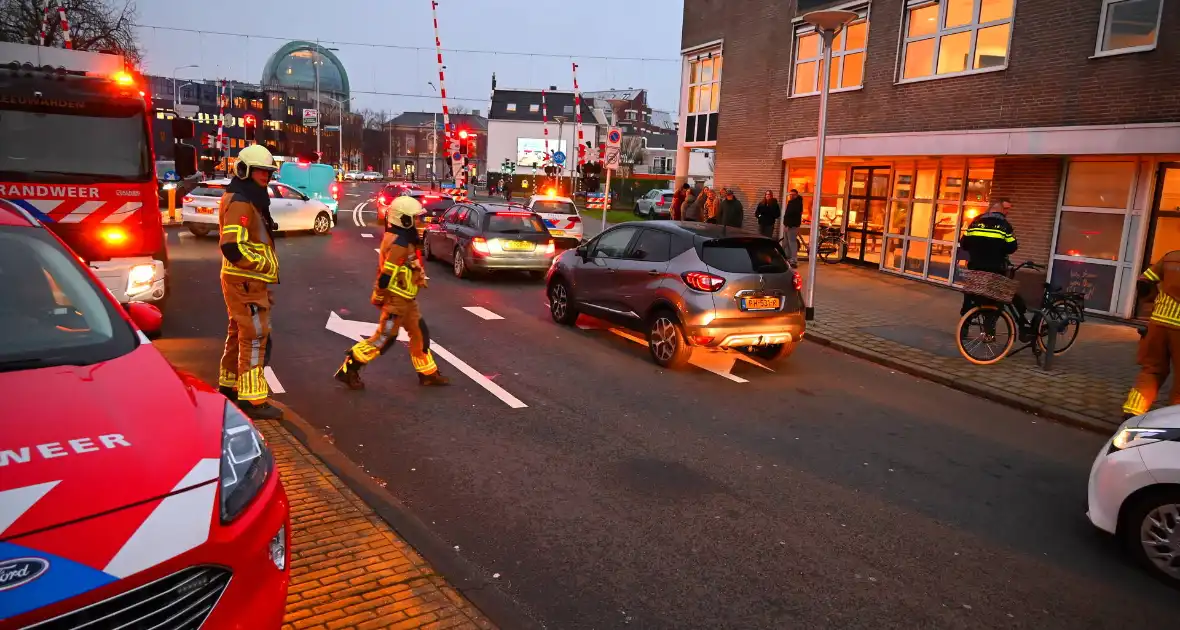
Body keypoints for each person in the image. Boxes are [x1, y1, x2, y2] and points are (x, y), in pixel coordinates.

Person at [335, 195, 450, 390]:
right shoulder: (399, 244)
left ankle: (428, 373)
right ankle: (350, 368)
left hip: (407, 300)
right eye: (415, 218)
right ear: (404, 220)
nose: (419, 222)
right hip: (396, 301)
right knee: (383, 338)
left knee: (420, 334)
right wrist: (379, 296)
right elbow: (386, 275)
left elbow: (409, 264)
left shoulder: (403, 239)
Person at [217, 144, 283, 420]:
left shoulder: (247, 198)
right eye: (260, 171)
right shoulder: (242, 202)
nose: (265, 177)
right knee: (255, 336)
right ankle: (252, 398)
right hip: (246, 282)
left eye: (268, 172)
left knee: (239, 333)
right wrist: (263, 263)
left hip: (246, 282)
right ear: (244, 171)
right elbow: (232, 246)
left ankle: (228, 384)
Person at [1123, 251, 1180, 418]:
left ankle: (1132, 411)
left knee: (1152, 370)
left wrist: (1154, 300)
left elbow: (1144, 282)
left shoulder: (1171, 257)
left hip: (1159, 323)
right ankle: (1173, 421)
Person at [958, 198, 1028, 331]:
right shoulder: (1005, 225)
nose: (1007, 212)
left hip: (976, 268)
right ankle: (989, 331)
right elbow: (1012, 247)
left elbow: (964, 244)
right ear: (998, 208)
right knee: (995, 300)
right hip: (995, 270)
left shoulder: (975, 222)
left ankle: (964, 328)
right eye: (1006, 209)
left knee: (971, 297)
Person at [783, 189, 804, 265]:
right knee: (786, 242)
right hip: (788, 225)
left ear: (796, 195)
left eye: (793, 194)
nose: (791, 196)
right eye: (790, 194)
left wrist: (789, 225)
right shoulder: (791, 202)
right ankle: (787, 257)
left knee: (792, 242)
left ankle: (794, 259)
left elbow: (793, 216)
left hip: (792, 226)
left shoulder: (797, 204)